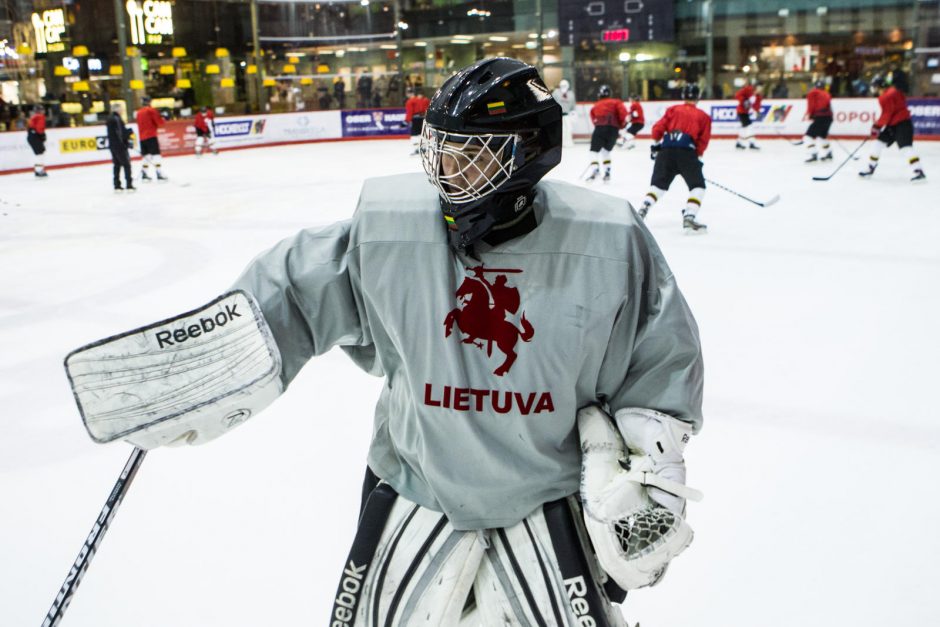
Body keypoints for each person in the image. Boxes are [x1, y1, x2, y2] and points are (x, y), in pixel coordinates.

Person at [69, 58, 704, 626]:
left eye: (471, 157)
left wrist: (654, 462)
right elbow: (296, 286)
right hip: (415, 486)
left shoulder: (607, 240)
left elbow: (659, 348)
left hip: (549, 495)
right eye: (441, 152)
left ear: (527, 153)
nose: (447, 174)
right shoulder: (392, 230)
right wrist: (205, 370)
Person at [637, 83, 711, 233]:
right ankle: (689, 216)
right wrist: (697, 157)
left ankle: (643, 209)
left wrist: (657, 145)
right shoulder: (703, 116)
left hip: (666, 152)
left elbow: (657, 129)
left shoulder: (673, 110)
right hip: (687, 153)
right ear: (698, 97)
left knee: (657, 186)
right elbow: (703, 141)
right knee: (698, 187)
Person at [859, 75, 925, 182]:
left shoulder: (885, 96)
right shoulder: (894, 91)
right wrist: (878, 126)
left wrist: (877, 126)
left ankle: (919, 171)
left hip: (902, 124)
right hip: (894, 124)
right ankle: (870, 167)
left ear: (881, 86)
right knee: (878, 143)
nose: (875, 90)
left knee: (905, 148)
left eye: (875, 87)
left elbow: (887, 113)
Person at [586, 84, 627, 183]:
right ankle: (607, 172)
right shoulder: (617, 102)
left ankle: (595, 169)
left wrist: (599, 125)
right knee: (606, 151)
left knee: (593, 151)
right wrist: (621, 126)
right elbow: (623, 115)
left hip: (600, 128)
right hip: (613, 130)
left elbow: (593, 118)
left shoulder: (596, 105)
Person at [135, 96, 168, 181]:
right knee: (156, 155)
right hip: (151, 136)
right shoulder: (151, 110)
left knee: (147, 156)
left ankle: (144, 173)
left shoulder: (138, 112)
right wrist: (164, 118)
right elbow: (159, 122)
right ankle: (159, 173)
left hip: (142, 137)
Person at [106, 103, 135, 192]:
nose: (122, 111)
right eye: (121, 109)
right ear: (117, 110)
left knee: (117, 164)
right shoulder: (117, 119)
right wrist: (128, 134)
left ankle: (117, 185)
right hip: (120, 145)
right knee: (126, 164)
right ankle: (129, 184)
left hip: (113, 145)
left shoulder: (110, 119)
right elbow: (120, 133)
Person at [803, 80, 833, 163]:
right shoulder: (827, 94)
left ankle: (813, 154)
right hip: (829, 117)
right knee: (822, 136)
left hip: (820, 117)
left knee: (808, 137)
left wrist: (810, 114)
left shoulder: (813, 93)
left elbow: (811, 105)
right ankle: (828, 153)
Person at [734, 81, 761, 150]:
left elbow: (757, 105)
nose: (760, 90)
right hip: (741, 111)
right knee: (749, 126)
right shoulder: (747, 90)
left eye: (761, 88)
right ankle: (752, 143)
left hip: (746, 113)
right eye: (759, 88)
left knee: (744, 127)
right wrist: (744, 100)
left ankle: (739, 143)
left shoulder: (758, 96)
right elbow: (737, 95)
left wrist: (757, 112)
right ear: (755, 87)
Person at [404, 87, 430, 155]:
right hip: (423, 119)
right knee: (422, 133)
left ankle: (417, 149)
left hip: (415, 120)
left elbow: (410, 112)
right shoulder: (425, 100)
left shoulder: (410, 101)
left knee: (415, 134)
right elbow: (427, 110)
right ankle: (423, 147)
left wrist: (407, 120)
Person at [552, 79, 576, 147]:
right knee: (559, 131)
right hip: (558, 115)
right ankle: (559, 143)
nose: (563, 86)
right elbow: (553, 103)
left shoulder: (571, 94)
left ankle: (568, 142)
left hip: (567, 115)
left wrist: (573, 113)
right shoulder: (556, 92)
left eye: (565, 85)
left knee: (568, 130)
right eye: (562, 85)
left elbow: (573, 105)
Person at [26, 105, 48, 178]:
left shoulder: (33, 116)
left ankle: (38, 169)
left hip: (31, 136)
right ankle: (39, 170)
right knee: (40, 154)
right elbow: (39, 128)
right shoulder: (40, 116)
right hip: (35, 136)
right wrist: (42, 135)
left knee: (39, 153)